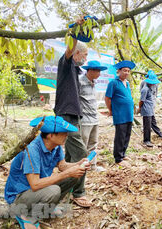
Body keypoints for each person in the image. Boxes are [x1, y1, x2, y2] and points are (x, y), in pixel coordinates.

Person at [4, 116, 90, 229]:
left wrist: (78, 164)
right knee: (53, 191)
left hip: (36, 191)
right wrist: (67, 173)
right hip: (19, 196)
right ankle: (26, 215)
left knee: (74, 177)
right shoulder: (33, 150)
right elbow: (35, 185)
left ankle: (47, 207)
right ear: (51, 135)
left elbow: (62, 166)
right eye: (64, 133)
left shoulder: (56, 146)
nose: (67, 135)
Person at [54, 16, 92, 207]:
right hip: (65, 117)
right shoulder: (66, 63)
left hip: (73, 117)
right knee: (81, 152)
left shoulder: (76, 72)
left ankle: (65, 187)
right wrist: (76, 29)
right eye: (83, 56)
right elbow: (69, 48)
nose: (85, 60)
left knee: (69, 156)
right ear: (76, 54)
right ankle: (79, 193)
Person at [105, 60, 136, 165]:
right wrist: (111, 110)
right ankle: (118, 158)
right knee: (120, 136)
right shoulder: (113, 83)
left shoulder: (127, 83)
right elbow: (108, 98)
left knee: (127, 135)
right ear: (119, 71)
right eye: (124, 70)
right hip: (120, 114)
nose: (126, 73)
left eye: (128, 71)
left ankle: (123, 154)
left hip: (129, 114)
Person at [79, 61, 107, 171]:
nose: (99, 74)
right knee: (82, 145)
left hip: (94, 118)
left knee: (93, 144)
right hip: (84, 119)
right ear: (90, 70)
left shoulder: (93, 83)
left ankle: (92, 166)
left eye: (100, 71)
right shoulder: (79, 81)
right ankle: (81, 168)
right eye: (97, 71)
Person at [138, 71, 161, 147]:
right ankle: (146, 140)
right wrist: (139, 108)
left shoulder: (150, 88)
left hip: (150, 108)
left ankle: (159, 133)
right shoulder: (145, 89)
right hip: (146, 109)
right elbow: (141, 100)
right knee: (147, 126)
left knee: (153, 122)